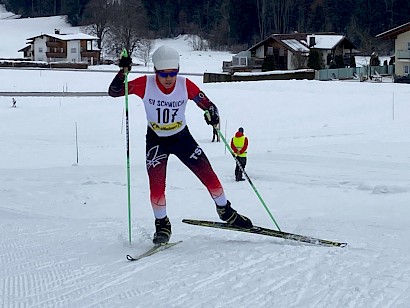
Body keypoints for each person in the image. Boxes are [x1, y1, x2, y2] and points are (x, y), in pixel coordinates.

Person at [108, 45, 253, 244]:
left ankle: (225, 211)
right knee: (157, 188)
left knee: (208, 174)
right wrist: (122, 72)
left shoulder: (185, 85)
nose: (168, 78)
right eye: (163, 74)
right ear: (156, 71)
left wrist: (212, 113)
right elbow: (115, 92)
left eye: (173, 73)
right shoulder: (145, 84)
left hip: (182, 138)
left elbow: (209, 104)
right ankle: (162, 224)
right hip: (156, 140)